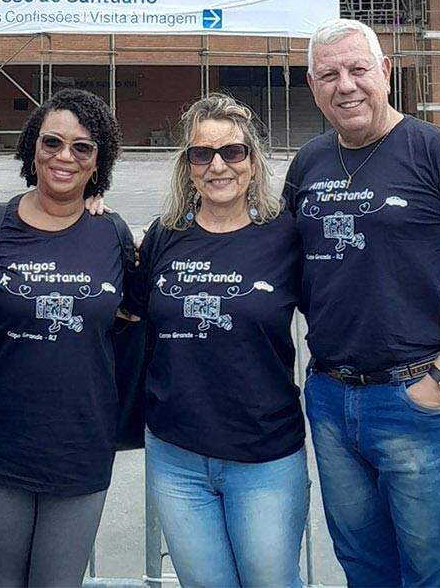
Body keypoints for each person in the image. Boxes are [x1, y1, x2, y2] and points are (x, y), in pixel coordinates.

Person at [285, 19, 440, 588]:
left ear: (386, 73)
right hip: (332, 396)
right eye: (329, 75)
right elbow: (269, 257)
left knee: (432, 572)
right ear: (313, 88)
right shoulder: (308, 165)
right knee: (364, 568)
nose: (346, 86)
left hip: (414, 400)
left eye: (358, 69)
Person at [128, 95, 308, 588]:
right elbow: (126, 309)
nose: (218, 165)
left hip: (264, 456)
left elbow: (339, 310)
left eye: (233, 151)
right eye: (201, 154)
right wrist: (92, 210)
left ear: (253, 161)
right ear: (187, 167)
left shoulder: (286, 238)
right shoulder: (163, 237)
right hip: (176, 456)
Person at [0, 89, 132, 588]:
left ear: (100, 161)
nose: (65, 156)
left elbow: (143, 314)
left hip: (80, 448)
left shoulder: (112, 234)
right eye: (52, 142)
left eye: (83, 147)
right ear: (31, 149)